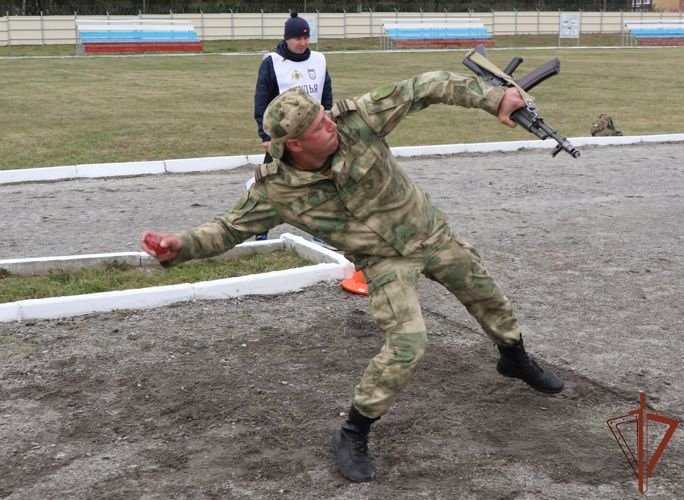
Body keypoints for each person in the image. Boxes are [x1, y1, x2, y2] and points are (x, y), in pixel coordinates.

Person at [141, 70, 565, 483]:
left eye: (326, 115)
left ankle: (513, 356)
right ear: (294, 145)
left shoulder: (358, 119)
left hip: (430, 234)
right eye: (320, 126)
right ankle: (352, 432)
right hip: (383, 262)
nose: (331, 123)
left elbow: (425, 87)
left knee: (488, 297)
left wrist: (495, 99)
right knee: (408, 344)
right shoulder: (277, 190)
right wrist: (181, 245)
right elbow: (229, 228)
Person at [251, 11, 333, 241]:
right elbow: (262, 99)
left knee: (320, 183)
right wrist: (265, 135)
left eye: (306, 38)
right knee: (270, 184)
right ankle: (260, 230)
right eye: (298, 38)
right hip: (281, 137)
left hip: (313, 136)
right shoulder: (272, 63)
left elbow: (326, 95)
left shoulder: (319, 60)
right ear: (287, 38)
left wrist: (327, 121)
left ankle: (320, 233)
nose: (303, 42)